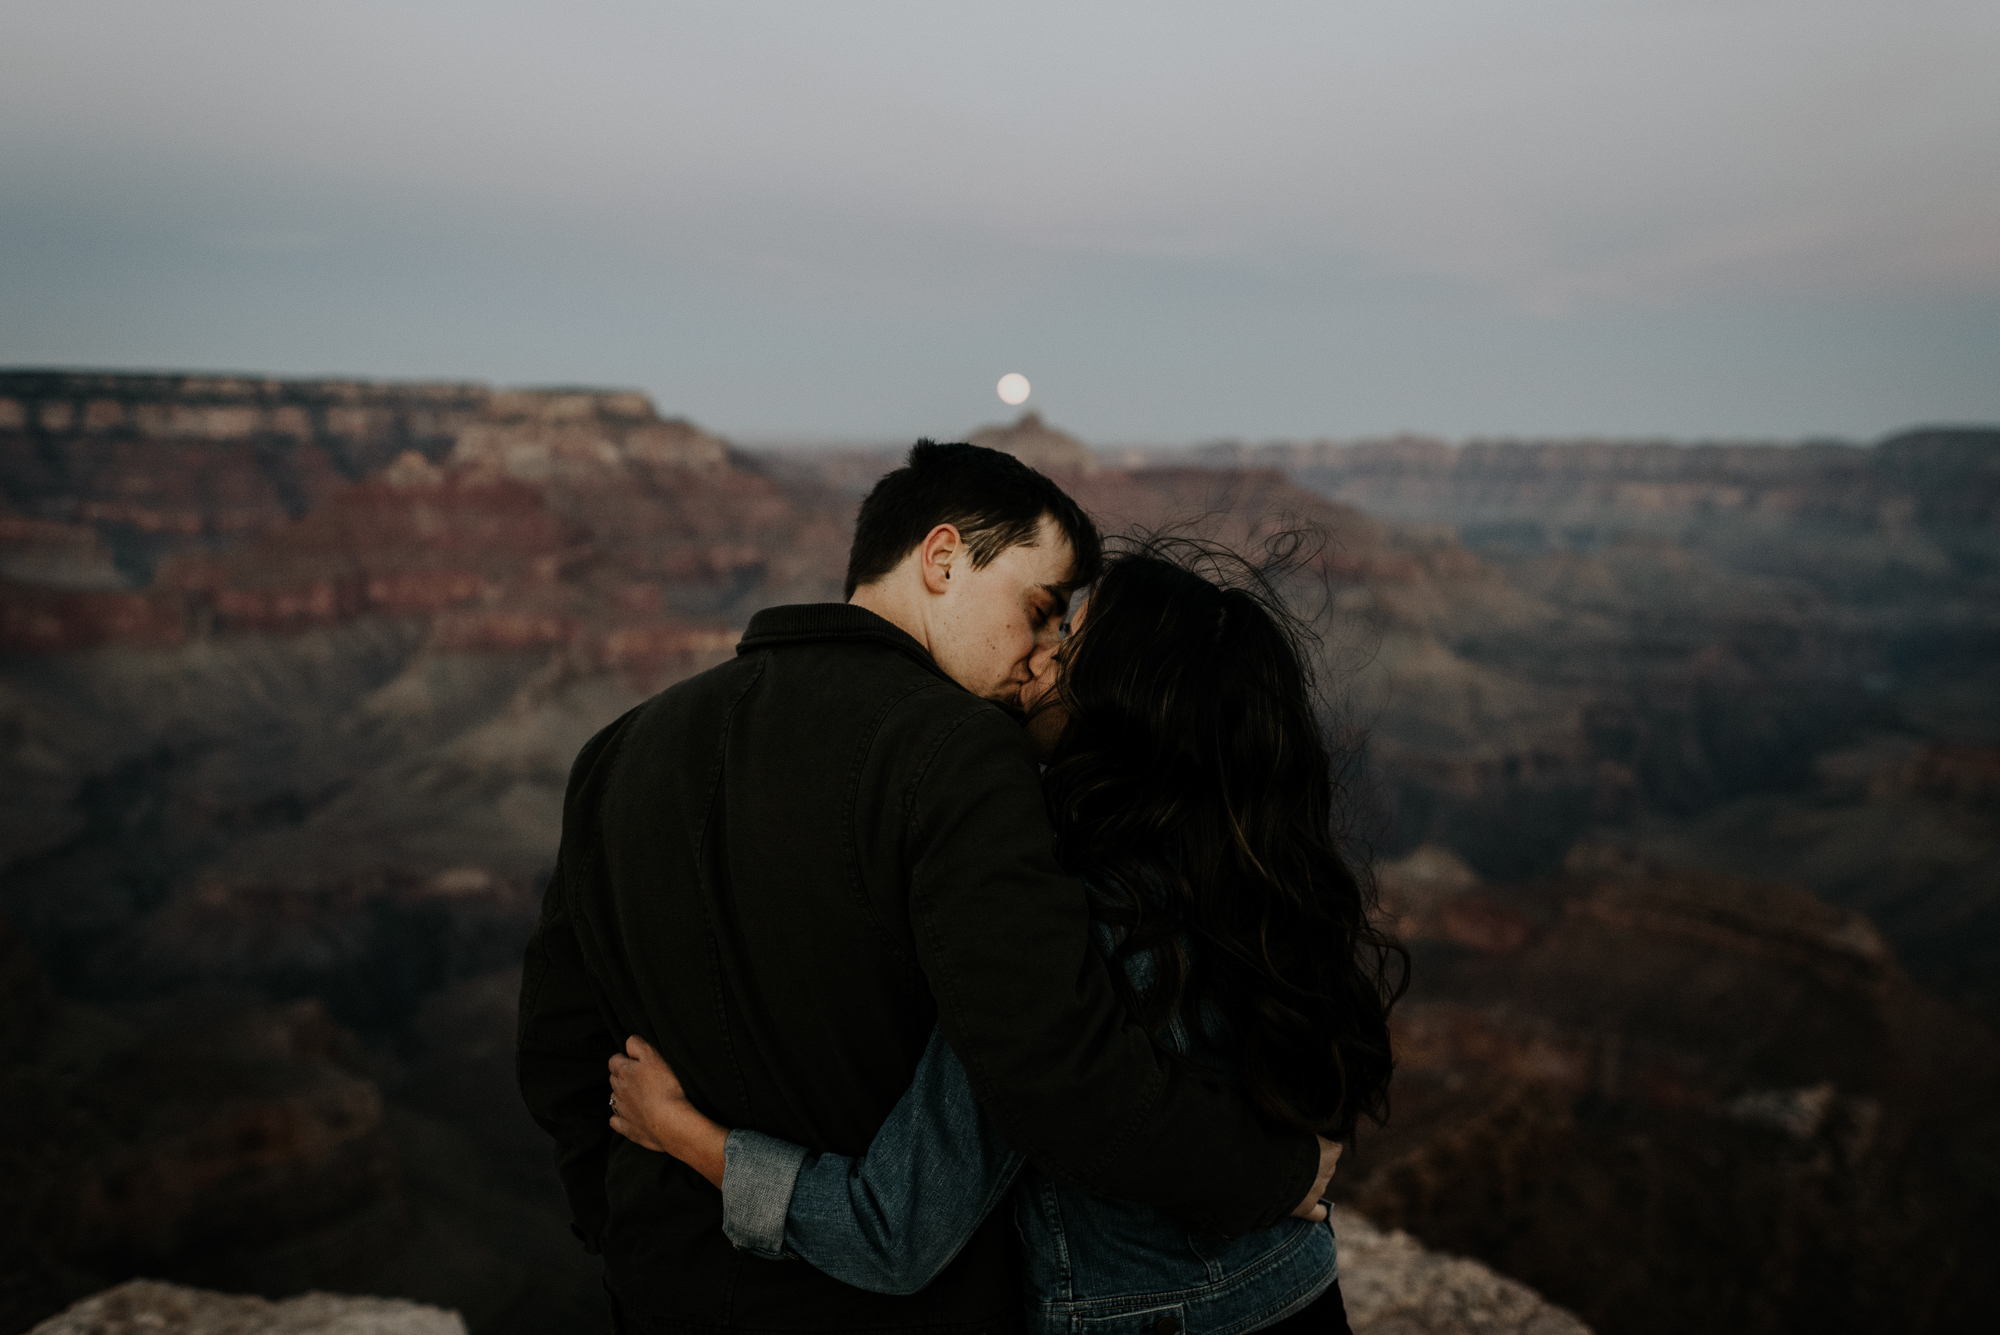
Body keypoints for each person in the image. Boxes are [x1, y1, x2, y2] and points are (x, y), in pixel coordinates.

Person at [517, 444, 1341, 1333]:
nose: (1037, 655)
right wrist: (1280, 1172)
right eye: (1039, 609)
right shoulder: (963, 754)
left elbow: (562, 1050)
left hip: (662, 1290)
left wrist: (628, 1224)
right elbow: (1057, 1078)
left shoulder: (615, 749)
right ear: (943, 559)